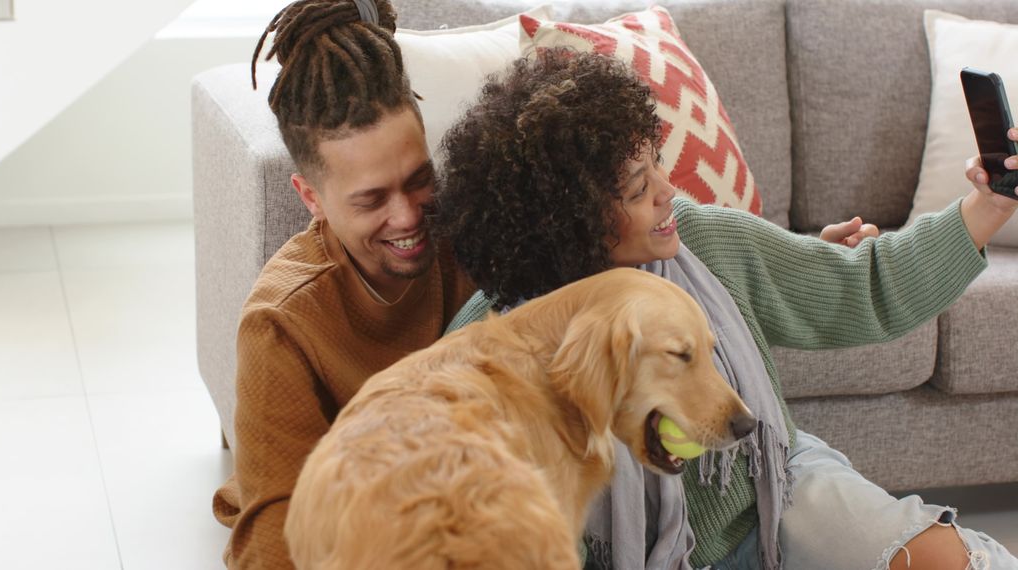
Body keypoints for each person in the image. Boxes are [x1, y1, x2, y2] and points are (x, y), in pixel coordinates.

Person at [436, 50, 1018, 570]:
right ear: (565, 225)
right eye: (638, 189)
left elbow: (865, 284)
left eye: (657, 163)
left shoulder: (705, 241)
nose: (667, 190)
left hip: (774, 495)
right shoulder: (495, 344)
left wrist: (989, 204)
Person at [209, 1, 476, 567]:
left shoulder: (475, 236)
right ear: (311, 198)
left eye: (419, 179)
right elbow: (274, 544)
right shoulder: (282, 323)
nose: (407, 217)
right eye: (372, 199)